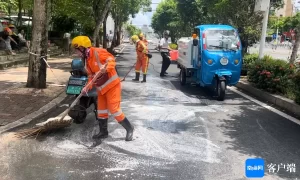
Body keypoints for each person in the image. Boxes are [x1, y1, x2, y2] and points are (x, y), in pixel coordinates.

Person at [71, 36, 134, 141]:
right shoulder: (86, 60)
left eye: (77, 50)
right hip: (101, 88)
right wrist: (87, 86)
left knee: (115, 110)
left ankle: (130, 128)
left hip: (112, 86)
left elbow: (111, 60)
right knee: (101, 111)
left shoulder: (98, 52)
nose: (76, 53)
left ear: (82, 48)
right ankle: (103, 132)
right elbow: (91, 76)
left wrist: (105, 68)